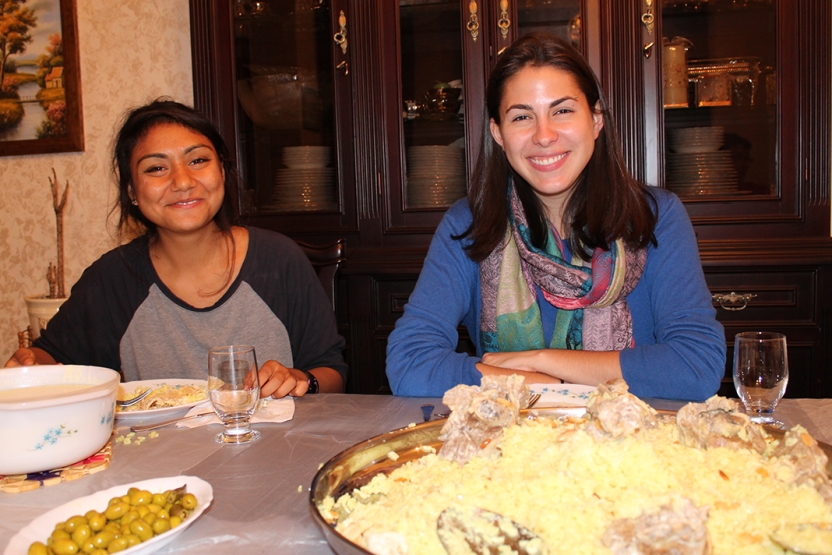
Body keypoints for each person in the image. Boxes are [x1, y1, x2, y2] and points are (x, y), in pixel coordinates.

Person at [386, 33, 725, 401]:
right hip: (513, 450)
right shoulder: (469, 223)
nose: (544, 136)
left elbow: (696, 368)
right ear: (498, 133)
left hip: (630, 450)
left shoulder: (656, 217)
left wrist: (541, 362)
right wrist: (548, 385)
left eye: (562, 111)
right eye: (521, 117)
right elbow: (409, 365)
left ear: (595, 120)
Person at [5, 99, 347, 398]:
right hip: (162, 466)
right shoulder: (111, 280)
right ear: (132, 192)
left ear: (223, 173)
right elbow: (49, 357)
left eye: (198, 161)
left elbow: (332, 373)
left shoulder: (279, 259)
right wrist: (29, 365)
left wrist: (300, 379)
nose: (183, 182)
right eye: (156, 168)